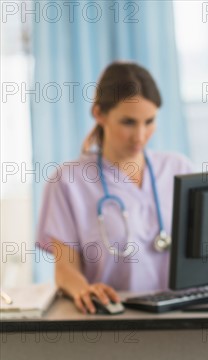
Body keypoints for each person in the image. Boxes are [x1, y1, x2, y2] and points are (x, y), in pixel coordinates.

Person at [37, 62, 193, 314]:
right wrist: (84, 290)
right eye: (128, 122)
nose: (140, 135)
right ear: (100, 114)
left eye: (149, 121)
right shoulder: (67, 182)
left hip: (179, 315)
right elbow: (65, 270)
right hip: (112, 316)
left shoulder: (179, 168)